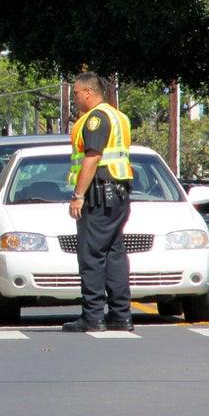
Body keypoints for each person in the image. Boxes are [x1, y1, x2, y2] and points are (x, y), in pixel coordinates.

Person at [63, 72, 134, 332]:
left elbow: (91, 159)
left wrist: (78, 196)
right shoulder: (119, 116)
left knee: (91, 255)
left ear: (89, 93)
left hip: (98, 195)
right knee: (114, 255)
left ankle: (92, 316)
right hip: (118, 194)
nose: (75, 99)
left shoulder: (95, 119)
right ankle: (121, 315)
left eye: (77, 94)